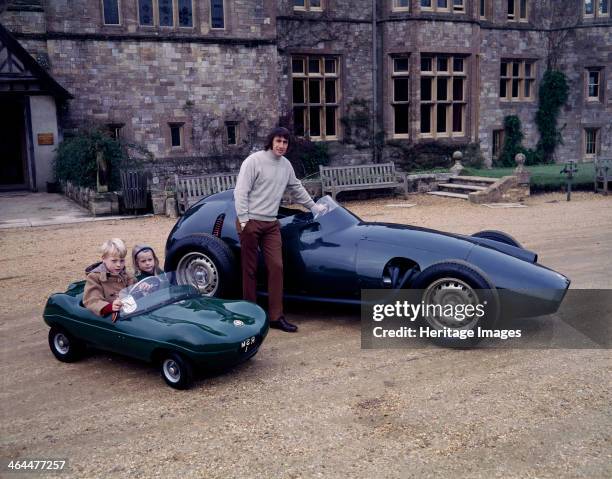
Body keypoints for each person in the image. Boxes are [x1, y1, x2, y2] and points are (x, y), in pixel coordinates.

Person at [234, 126, 325, 332]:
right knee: (249, 270)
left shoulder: (286, 166)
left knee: (276, 267)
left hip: (271, 224)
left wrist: (313, 206)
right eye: (278, 141)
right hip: (249, 222)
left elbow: (296, 188)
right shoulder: (254, 161)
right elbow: (241, 191)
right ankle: (250, 314)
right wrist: (244, 220)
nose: (281, 146)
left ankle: (276, 316)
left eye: (285, 142)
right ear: (271, 141)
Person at [83, 238, 135, 318]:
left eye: (122, 261)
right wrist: (110, 307)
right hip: (109, 318)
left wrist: (143, 288)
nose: (118, 265)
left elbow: (134, 290)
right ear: (103, 259)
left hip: (129, 313)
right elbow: (92, 300)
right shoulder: (94, 277)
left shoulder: (127, 275)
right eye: (114, 261)